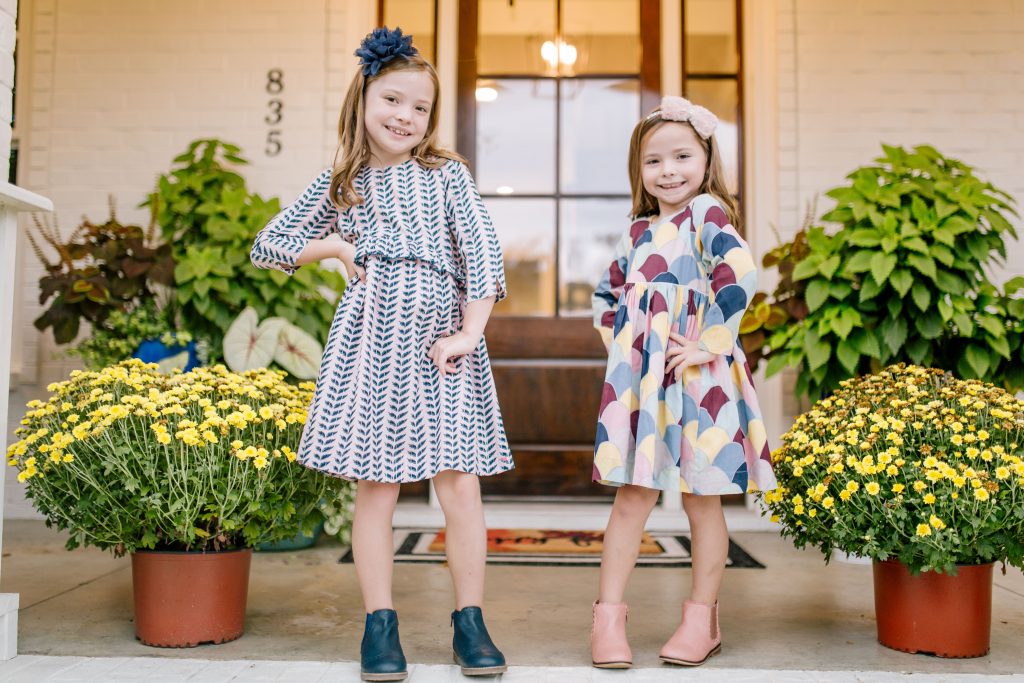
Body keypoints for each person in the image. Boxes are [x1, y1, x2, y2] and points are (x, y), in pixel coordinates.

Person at [250, 27, 511, 682]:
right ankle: (380, 623)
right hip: (372, 345)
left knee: (459, 485)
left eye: (419, 107)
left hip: (441, 340)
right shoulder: (342, 181)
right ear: (364, 96)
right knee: (378, 486)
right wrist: (336, 247)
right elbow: (272, 243)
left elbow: (482, 251)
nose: (404, 116)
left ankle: (470, 619)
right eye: (392, 99)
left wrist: (469, 331)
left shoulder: (445, 174)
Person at [589, 95, 777, 669]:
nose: (668, 170)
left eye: (681, 157)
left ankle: (702, 618)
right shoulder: (638, 230)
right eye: (654, 161)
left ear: (705, 158)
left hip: (700, 378)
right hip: (646, 384)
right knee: (632, 498)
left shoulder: (709, 214)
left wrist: (710, 342)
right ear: (639, 171)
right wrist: (628, 353)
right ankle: (608, 618)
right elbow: (607, 296)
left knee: (702, 502)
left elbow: (740, 277)